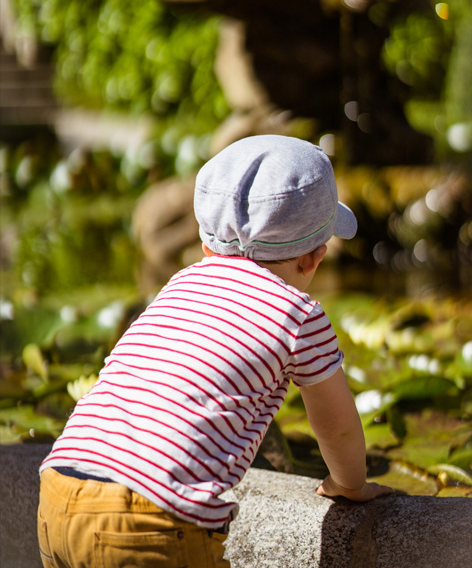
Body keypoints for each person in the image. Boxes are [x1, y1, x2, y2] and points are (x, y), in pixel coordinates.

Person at [36, 134, 392, 567]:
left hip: (59, 489)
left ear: (207, 247)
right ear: (314, 258)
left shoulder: (179, 285)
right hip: (153, 522)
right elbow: (336, 428)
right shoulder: (300, 314)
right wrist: (350, 486)